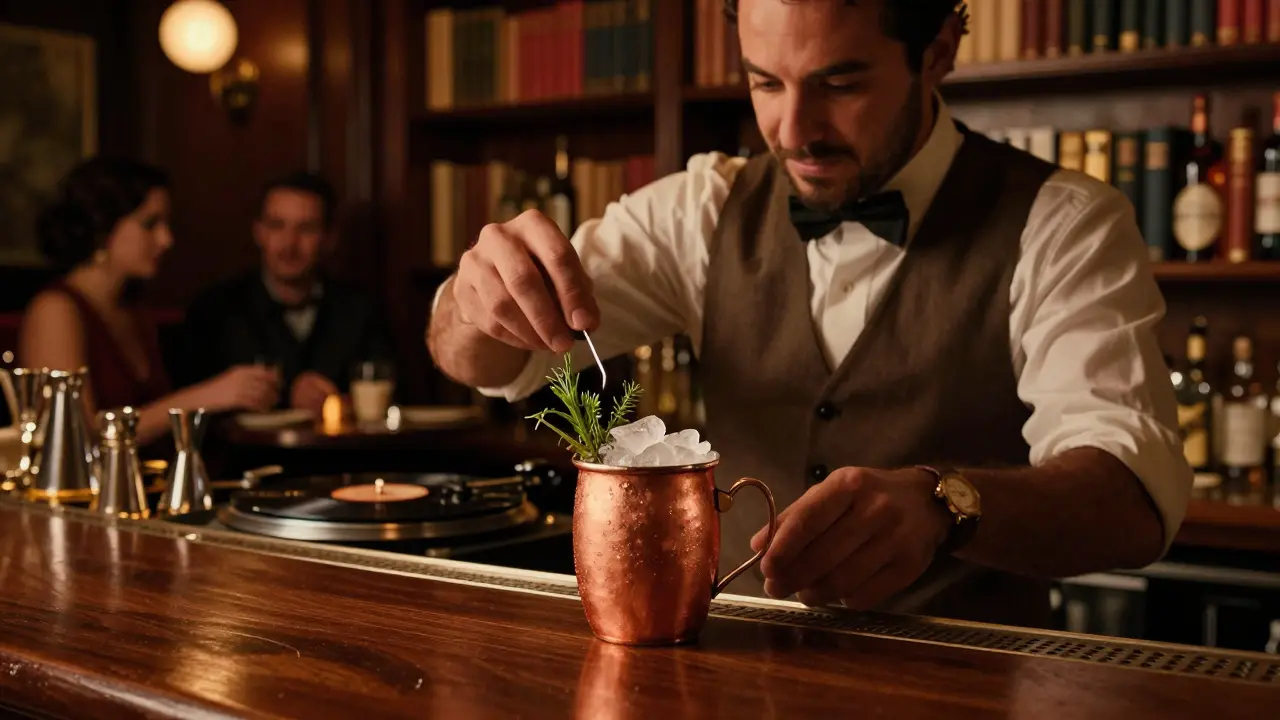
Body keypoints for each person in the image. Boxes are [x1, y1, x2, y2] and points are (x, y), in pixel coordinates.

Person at [425, 0, 1193, 627]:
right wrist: (474, 299)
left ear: (938, 51)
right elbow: (488, 361)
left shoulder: (1062, 222)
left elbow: (1131, 497)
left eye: (841, 83)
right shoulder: (704, 208)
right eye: (765, 83)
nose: (794, 131)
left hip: (970, 683)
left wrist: (947, 504)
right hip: (730, 676)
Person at [19, 157, 281, 446]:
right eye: (150, 224)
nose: (166, 239)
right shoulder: (56, 310)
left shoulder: (133, 307)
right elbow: (75, 440)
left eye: (166, 224)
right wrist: (206, 397)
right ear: (103, 227)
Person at [182, 171, 395, 415]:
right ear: (258, 231)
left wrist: (341, 404)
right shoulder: (215, 310)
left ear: (329, 238)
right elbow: (191, 408)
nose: (289, 244)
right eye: (276, 226)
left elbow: (393, 394)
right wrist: (285, 397)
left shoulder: (360, 309)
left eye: (306, 228)